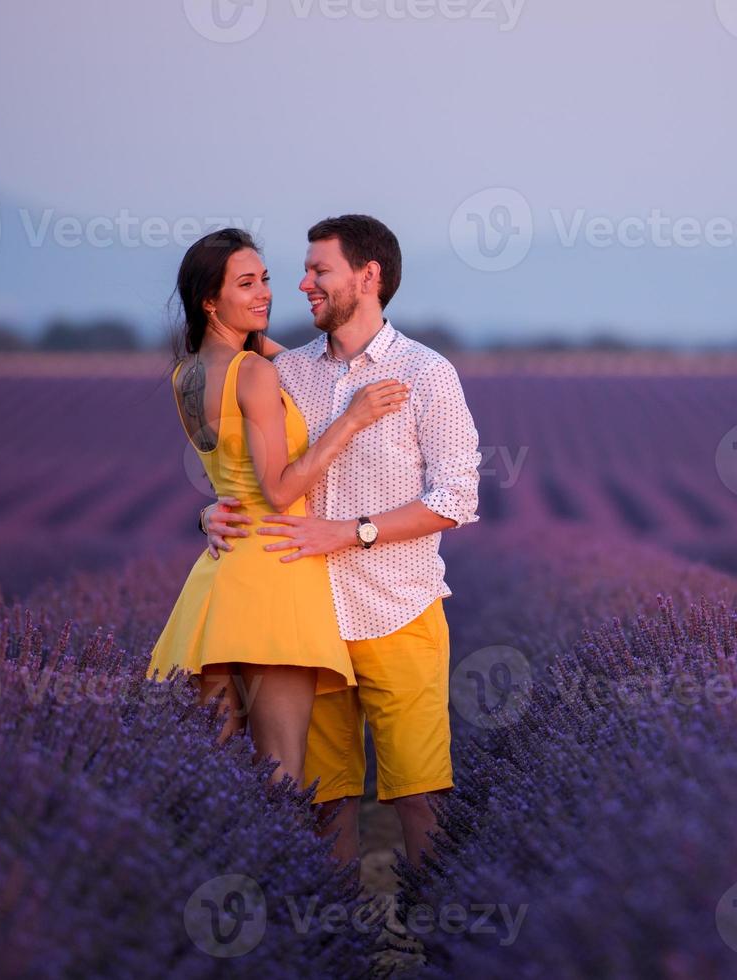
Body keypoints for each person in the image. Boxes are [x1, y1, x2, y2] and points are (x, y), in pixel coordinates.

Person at [200, 215, 481, 868]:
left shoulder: (425, 373)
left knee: (419, 795)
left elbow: (455, 500)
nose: (302, 284)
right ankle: (340, 944)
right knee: (325, 801)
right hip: (308, 620)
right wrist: (209, 512)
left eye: (318, 270)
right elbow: (254, 473)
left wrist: (348, 533)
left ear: (368, 276)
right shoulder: (287, 372)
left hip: (400, 611)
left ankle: (435, 941)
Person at [147, 227, 409, 792]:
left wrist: (205, 513)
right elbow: (280, 490)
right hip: (276, 574)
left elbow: (242, 453)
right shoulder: (256, 374)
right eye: (246, 284)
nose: (265, 292)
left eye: (264, 278)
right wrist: (352, 420)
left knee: (209, 778)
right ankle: (286, 882)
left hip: (216, 583)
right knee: (282, 780)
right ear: (209, 300)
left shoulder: (185, 375)